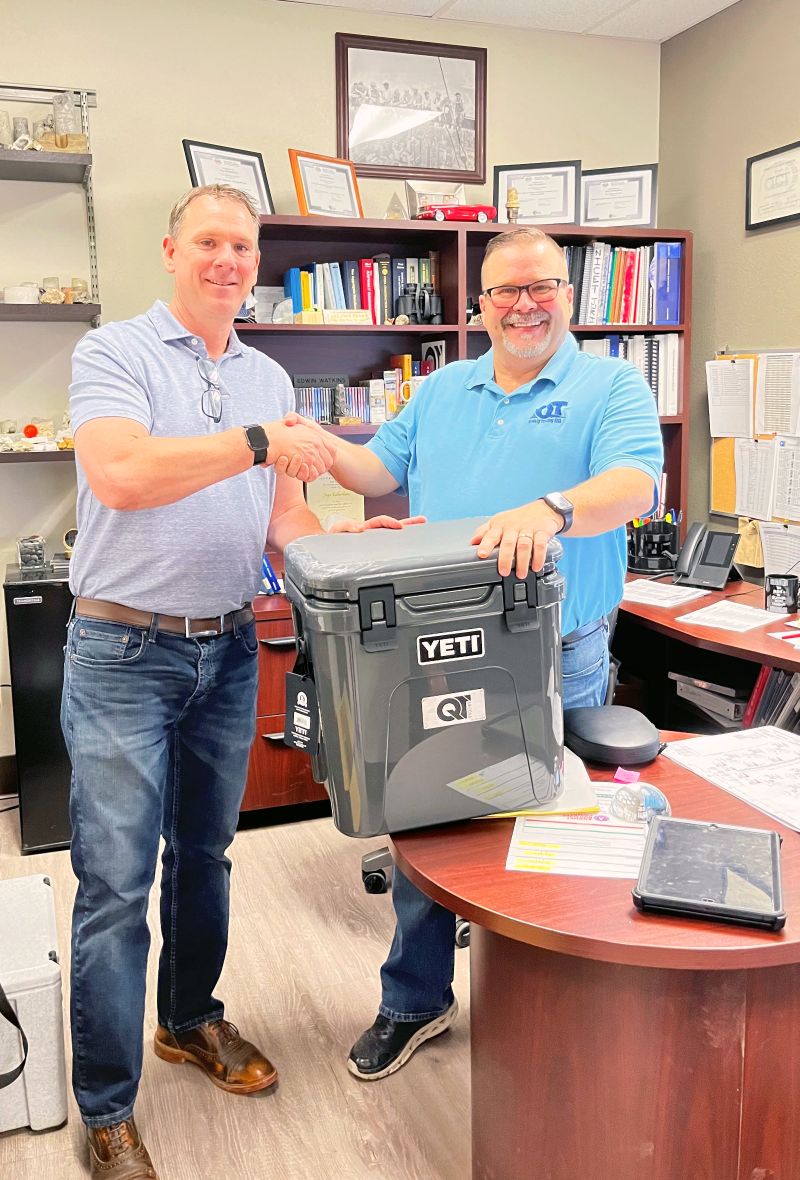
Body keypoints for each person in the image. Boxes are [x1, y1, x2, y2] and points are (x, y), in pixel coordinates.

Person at [63, 183, 417, 1179]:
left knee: (206, 858)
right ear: (171, 249)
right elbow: (122, 476)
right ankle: (106, 1106)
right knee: (113, 885)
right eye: (209, 241)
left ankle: (188, 1019)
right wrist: (259, 441)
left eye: (243, 246)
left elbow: (282, 523)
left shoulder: (267, 375)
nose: (227, 259)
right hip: (121, 652)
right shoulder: (114, 354)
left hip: (221, 649)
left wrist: (350, 548)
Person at [288, 225, 664, 1081]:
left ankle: (563, 1019)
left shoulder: (612, 385)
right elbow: (377, 471)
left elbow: (636, 483)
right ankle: (414, 1002)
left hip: (557, 651)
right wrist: (314, 445)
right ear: (481, 303)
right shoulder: (443, 388)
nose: (524, 303)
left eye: (542, 288)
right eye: (506, 291)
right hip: (435, 649)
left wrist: (553, 509)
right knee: (428, 817)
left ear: (568, 296)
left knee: (557, 838)